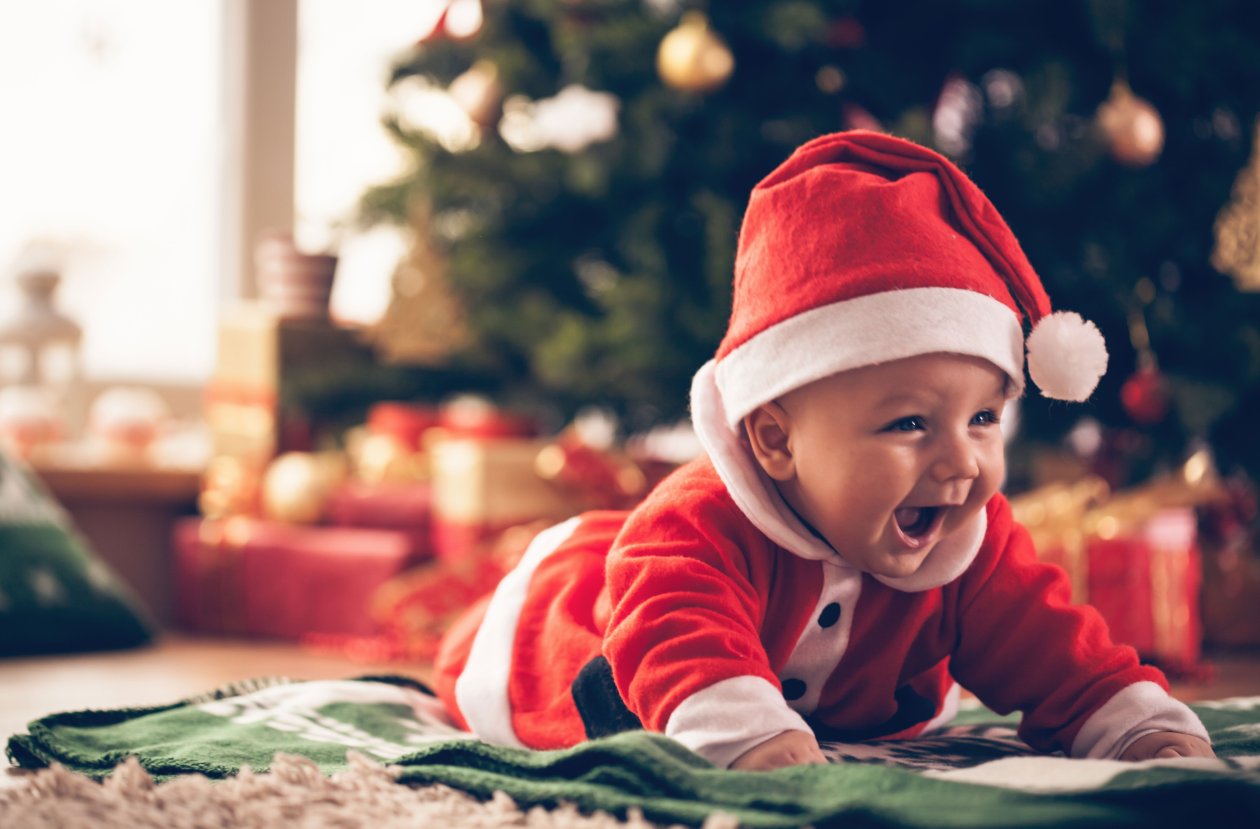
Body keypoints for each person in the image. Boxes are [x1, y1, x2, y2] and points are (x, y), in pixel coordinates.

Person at [433, 130, 1214, 771]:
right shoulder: (697, 530)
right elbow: (681, 638)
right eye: (910, 424)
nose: (962, 461)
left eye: (983, 418)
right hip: (593, 622)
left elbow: (1055, 644)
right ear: (776, 439)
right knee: (567, 622)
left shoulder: (965, 540)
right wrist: (749, 742)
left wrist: (1133, 722)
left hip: (832, 697)